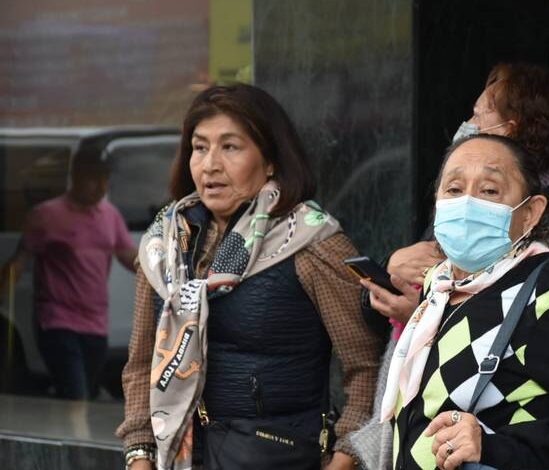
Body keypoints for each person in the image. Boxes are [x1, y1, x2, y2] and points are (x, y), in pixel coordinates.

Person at [116, 84, 382, 470]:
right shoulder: (164, 246)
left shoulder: (311, 242)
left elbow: (367, 365)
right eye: (199, 147)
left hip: (280, 456)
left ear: (270, 160)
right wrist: (139, 456)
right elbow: (141, 365)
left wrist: (345, 458)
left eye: (230, 147)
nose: (210, 165)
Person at [381, 134, 549, 470]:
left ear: (530, 213)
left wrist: (495, 446)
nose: (467, 203)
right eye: (454, 188)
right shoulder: (439, 287)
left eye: (489, 191)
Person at [365, 63, 549, 331]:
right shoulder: (459, 206)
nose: (468, 126)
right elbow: (376, 315)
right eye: (454, 189)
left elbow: (544, 332)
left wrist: (426, 315)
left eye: (478, 115)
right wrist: (390, 269)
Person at [0, 145, 137, 400]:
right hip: (58, 321)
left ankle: (56, 412)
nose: (100, 187)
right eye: (93, 179)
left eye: (104, 180)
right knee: (77, 394)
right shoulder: (46, 215)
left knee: (84, 393)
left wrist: (164, 273)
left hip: (96, 324)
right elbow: (20, 260)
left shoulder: (110, 216)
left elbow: (129, 255)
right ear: (76, 176)